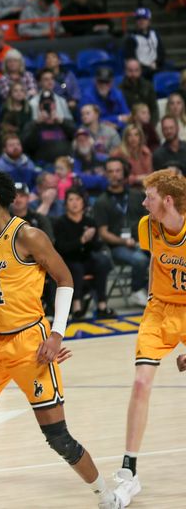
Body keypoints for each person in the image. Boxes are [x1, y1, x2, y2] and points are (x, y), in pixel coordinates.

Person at [0, 170, 122, 509]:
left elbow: (65, 279)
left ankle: (106, 495)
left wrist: (57, 334)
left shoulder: (28, 236)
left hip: (30, 346)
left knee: (58, 439)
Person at [112, 169, 186, 506]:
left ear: (167, 201)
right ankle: (129, 471)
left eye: (150, 198)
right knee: (141, 383)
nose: (144, 203)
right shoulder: (148, 227)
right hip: (159, 310)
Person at [93, 158, 149, 306]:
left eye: (118, 171)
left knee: (163, 255)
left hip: (142, 242)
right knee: (140, 260)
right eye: (110, 171)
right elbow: (103, 233)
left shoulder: (136, 195)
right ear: (106, 174)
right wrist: (124, 241)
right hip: (117, 247)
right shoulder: (101, 202)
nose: (114, 175)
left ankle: (160, 292)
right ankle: (136, 291)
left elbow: (148, 219)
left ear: (124, 173)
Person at [53, 189, 115, 319]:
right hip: (68, 261)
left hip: (86, 258)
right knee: (76, 268)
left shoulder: (90, 222)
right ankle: (77, 307)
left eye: (78, 199)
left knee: (102, 262)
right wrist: (82, 240)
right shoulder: (60, 223)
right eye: (71, 200)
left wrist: (92, 239)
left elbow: (96, 247)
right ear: (65, 204)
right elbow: (61, 248)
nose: (74, 203)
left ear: (83, 203)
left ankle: (102, 305)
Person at [124, 8, 165, 79]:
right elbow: (131, 58)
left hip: (157, 65)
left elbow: (161, 52)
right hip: (141, 69)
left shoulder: (155, 34)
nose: (141, 21)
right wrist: (145, 66)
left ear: (149, 21)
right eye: (139, 19)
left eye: (144, 18)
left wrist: (156, 63)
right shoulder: (131, 38)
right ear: (136, 22)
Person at [119, 59, 159, 125]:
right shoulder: (120, 89)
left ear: (140, 71)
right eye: (130, 71)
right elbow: (121, 113)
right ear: (125, 71)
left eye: (136, 70)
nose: (133, 74)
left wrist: (151, 126)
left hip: (147, 123)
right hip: (129, 125)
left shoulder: (148, 86)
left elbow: (154, 109)